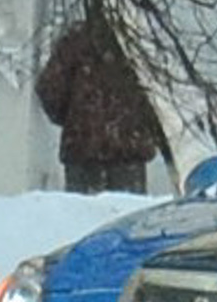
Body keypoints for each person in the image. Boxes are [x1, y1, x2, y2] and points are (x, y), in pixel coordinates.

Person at [35, 16, 164, 193]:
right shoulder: (138, 41)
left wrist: (74, 120)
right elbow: (159, 93)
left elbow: (50, 88)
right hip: (128, 151)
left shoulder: (75, 40)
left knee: (83, 216)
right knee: (127, 215)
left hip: (83, 150)